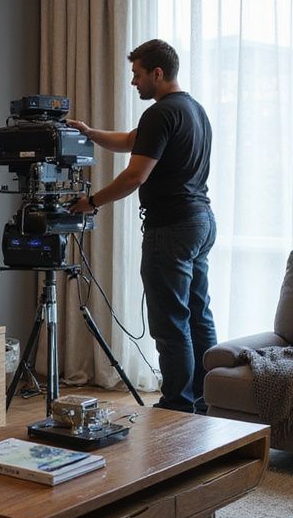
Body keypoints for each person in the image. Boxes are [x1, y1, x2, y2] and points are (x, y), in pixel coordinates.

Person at [68, 39, 217, 413]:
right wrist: (89, 132)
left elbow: (135, 175)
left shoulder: (160, 114)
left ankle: (177, 408)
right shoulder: (193, 110)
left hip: (171, 228)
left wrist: (91, 203)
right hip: (200, 222)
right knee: (197, 315)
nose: (133, 82)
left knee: (170, 323)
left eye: (136, 75)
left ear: (157, 73)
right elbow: (132, 141)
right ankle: (205, 400)